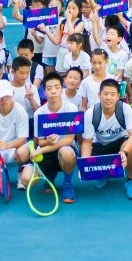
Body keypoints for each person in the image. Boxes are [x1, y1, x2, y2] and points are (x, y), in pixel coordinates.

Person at [81, 78, 132, 199]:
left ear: (118, 96)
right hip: (101, 145)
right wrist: (84, 163)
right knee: (89, 155)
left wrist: (124, 152)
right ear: (99, 95)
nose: (108, 97)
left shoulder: (125, 108)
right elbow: (87, 142)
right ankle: (104, 175)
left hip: (121, 144)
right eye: (105, 94)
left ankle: (131, 180)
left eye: (112, 94)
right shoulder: (90, 113)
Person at [31, 71, 80, 204]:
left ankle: (67, 184)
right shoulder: (39, 113)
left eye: (57, 87)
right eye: (49, 88)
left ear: (62, 89)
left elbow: (69, 139)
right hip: (47, 150)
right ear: (44, 92)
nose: (53, 91)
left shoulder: (71, 108)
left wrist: (41, 150)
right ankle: (50, 176)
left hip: (66, 149)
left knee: (66, 152)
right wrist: (47, 141)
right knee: (27, 179)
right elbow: (41, 142)